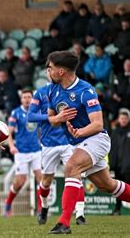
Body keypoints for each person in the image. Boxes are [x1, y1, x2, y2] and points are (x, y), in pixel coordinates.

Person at [45, 51, 130, 234]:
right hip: (78, 143)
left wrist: (80, 131)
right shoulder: (52, 90)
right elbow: (51, 119)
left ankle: (64, 223)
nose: (47, 71)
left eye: (49, 68)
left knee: (71, 167)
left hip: (96, 139)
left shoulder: (85, 91)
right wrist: (58, 118)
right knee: (107, 185)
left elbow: (98, 124)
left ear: (61, 71)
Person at [27, 69, 86, 226]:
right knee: (46, 181)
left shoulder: (69, 91)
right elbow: (30, 116)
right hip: (48, 144)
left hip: (68, 142)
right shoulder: (41, 93)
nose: (51, 73)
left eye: (53, 69)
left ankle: (80, 214)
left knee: (76, 175)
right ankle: (45, 207)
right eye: (48, 70)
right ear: (47, 73)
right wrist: (53, 118)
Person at [4, 90, 42, 217]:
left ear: (32, 99)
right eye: (24, 97)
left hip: (36, 150)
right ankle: (8, 203)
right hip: (21, 152)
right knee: (20, 182)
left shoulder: (36, 111)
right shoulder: (16, 112)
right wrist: (11, 146)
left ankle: (40, 208)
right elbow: (9, 131)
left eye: (29, 97)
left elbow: (40, 130)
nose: (27, 99)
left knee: (41, 179)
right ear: (21, 100)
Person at [109, 108, 130, 215]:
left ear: (128, 120)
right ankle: (117, 209)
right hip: (117, 166)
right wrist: (112, 163)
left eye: (125, 118)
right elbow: (111, 149)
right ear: (119, 119)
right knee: (117, 189)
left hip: (128, 167)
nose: (123, 120)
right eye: (121, 118)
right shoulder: (114, 133)